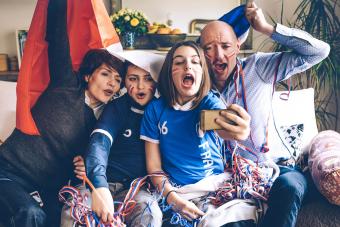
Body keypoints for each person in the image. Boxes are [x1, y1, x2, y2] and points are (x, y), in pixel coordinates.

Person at [200, 2, 330, 227]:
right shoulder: (194, 84)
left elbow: (319, 51)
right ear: (201, 52)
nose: (218, 54)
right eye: (209, 48)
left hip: (270, 169)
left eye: (225, 45)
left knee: (290, 186)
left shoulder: (258, 67)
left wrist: (267, 28)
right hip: (222, 178)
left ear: (238, 47)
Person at [0, 0, 124, 226]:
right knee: (31, 214)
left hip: (48, 186)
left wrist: (81, 166)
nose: (112, 84)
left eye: (118, 79)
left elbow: (94, 158)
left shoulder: (105, 119)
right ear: (88, 76)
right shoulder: (66, 85)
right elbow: (57, 37)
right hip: (8, 172)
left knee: (62, 218)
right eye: (106, 74)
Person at [136, 40, 251, 227]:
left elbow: (225, 128)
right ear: (169, 73)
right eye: (179, 62)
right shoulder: (155, 110)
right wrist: (173, 198)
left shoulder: (209, 103)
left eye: (195, 62)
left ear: (202, 72)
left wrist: (240, 130)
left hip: (215, 189)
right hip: (178, 192)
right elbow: (154, 168)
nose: (188, 65)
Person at [60, 50, 165, 226]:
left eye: (147, 78)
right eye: (133, 79)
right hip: (100, 182)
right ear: (125, 81)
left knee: (151, 214)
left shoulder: (162, 111)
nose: (140, 86)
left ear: (156, 82)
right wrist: (100, 187)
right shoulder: (116, 107)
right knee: (73, 212)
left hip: (138, 188)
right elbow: (99, 144)